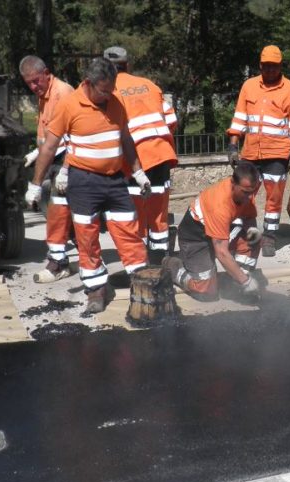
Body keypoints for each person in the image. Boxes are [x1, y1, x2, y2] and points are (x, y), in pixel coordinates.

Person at [29, 57, 149, 314]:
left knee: (129, 228)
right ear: (88, 84)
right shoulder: (69, 106)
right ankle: (96, 290)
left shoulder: (115, 103)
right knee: (86, 238)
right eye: (104, 90)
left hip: (115, 180)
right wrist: (36, 184)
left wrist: (138, 172)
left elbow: (126, 139)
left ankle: (142, 281)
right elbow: (50, 147)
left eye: (111, 89)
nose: (109, 95)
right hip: (83, 182)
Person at [227, 45, 290, 257]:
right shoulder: (249, 86)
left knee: (274, 197)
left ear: (281, 66)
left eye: (274, 66)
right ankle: (246, 236)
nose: (270, 70)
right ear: (260, 66)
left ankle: (269, 238)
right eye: (266, 66)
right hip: (251, 152)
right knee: (244, 196)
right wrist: (233, 145)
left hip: (277, 154)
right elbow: (239, 118)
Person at [103, 46, 178, 265]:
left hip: (133, 161)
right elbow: (171, 121)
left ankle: (141, 263)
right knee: (158, 213)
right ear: (128, 65)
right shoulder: (149, 85)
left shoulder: (109, 91)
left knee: (136, 214)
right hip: (161, 155)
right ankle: (161, 262)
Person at [162, 161, 264, 301]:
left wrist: (254, 237)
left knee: (254, 239)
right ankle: (171, 264)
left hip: (219, 231)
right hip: (196, 237)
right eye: (245, 192)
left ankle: (236, 282)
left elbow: (249, 217)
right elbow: (221, 252)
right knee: (206, 292)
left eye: (252, 192)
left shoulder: (246, 193)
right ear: (233, 183)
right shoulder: (219, 205)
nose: (249, 197)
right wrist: (246, 282)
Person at [20, 55, 76, 283]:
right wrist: (36, 151)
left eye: (36, 81)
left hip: (66, 162)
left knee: (59, 214)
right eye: (29, 83)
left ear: (46, 73)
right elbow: (47, 135)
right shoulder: (45, 95)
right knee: (61, 215)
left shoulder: (63, 93)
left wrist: (65, 170)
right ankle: (67, 259)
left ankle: (59, 264)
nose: (34, 87)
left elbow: (76, 136)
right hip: (55, 160)